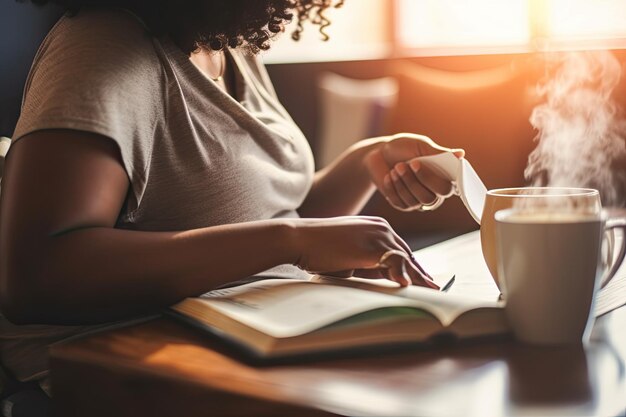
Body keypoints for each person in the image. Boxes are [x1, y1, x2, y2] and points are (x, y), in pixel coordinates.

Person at [0, 0, 463, 393]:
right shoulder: (103, 50)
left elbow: (266, 218)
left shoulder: (229, 43)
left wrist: (368, 161)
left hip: (257, 339)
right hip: (130, 371)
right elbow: (40, 274)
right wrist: (291, 240)